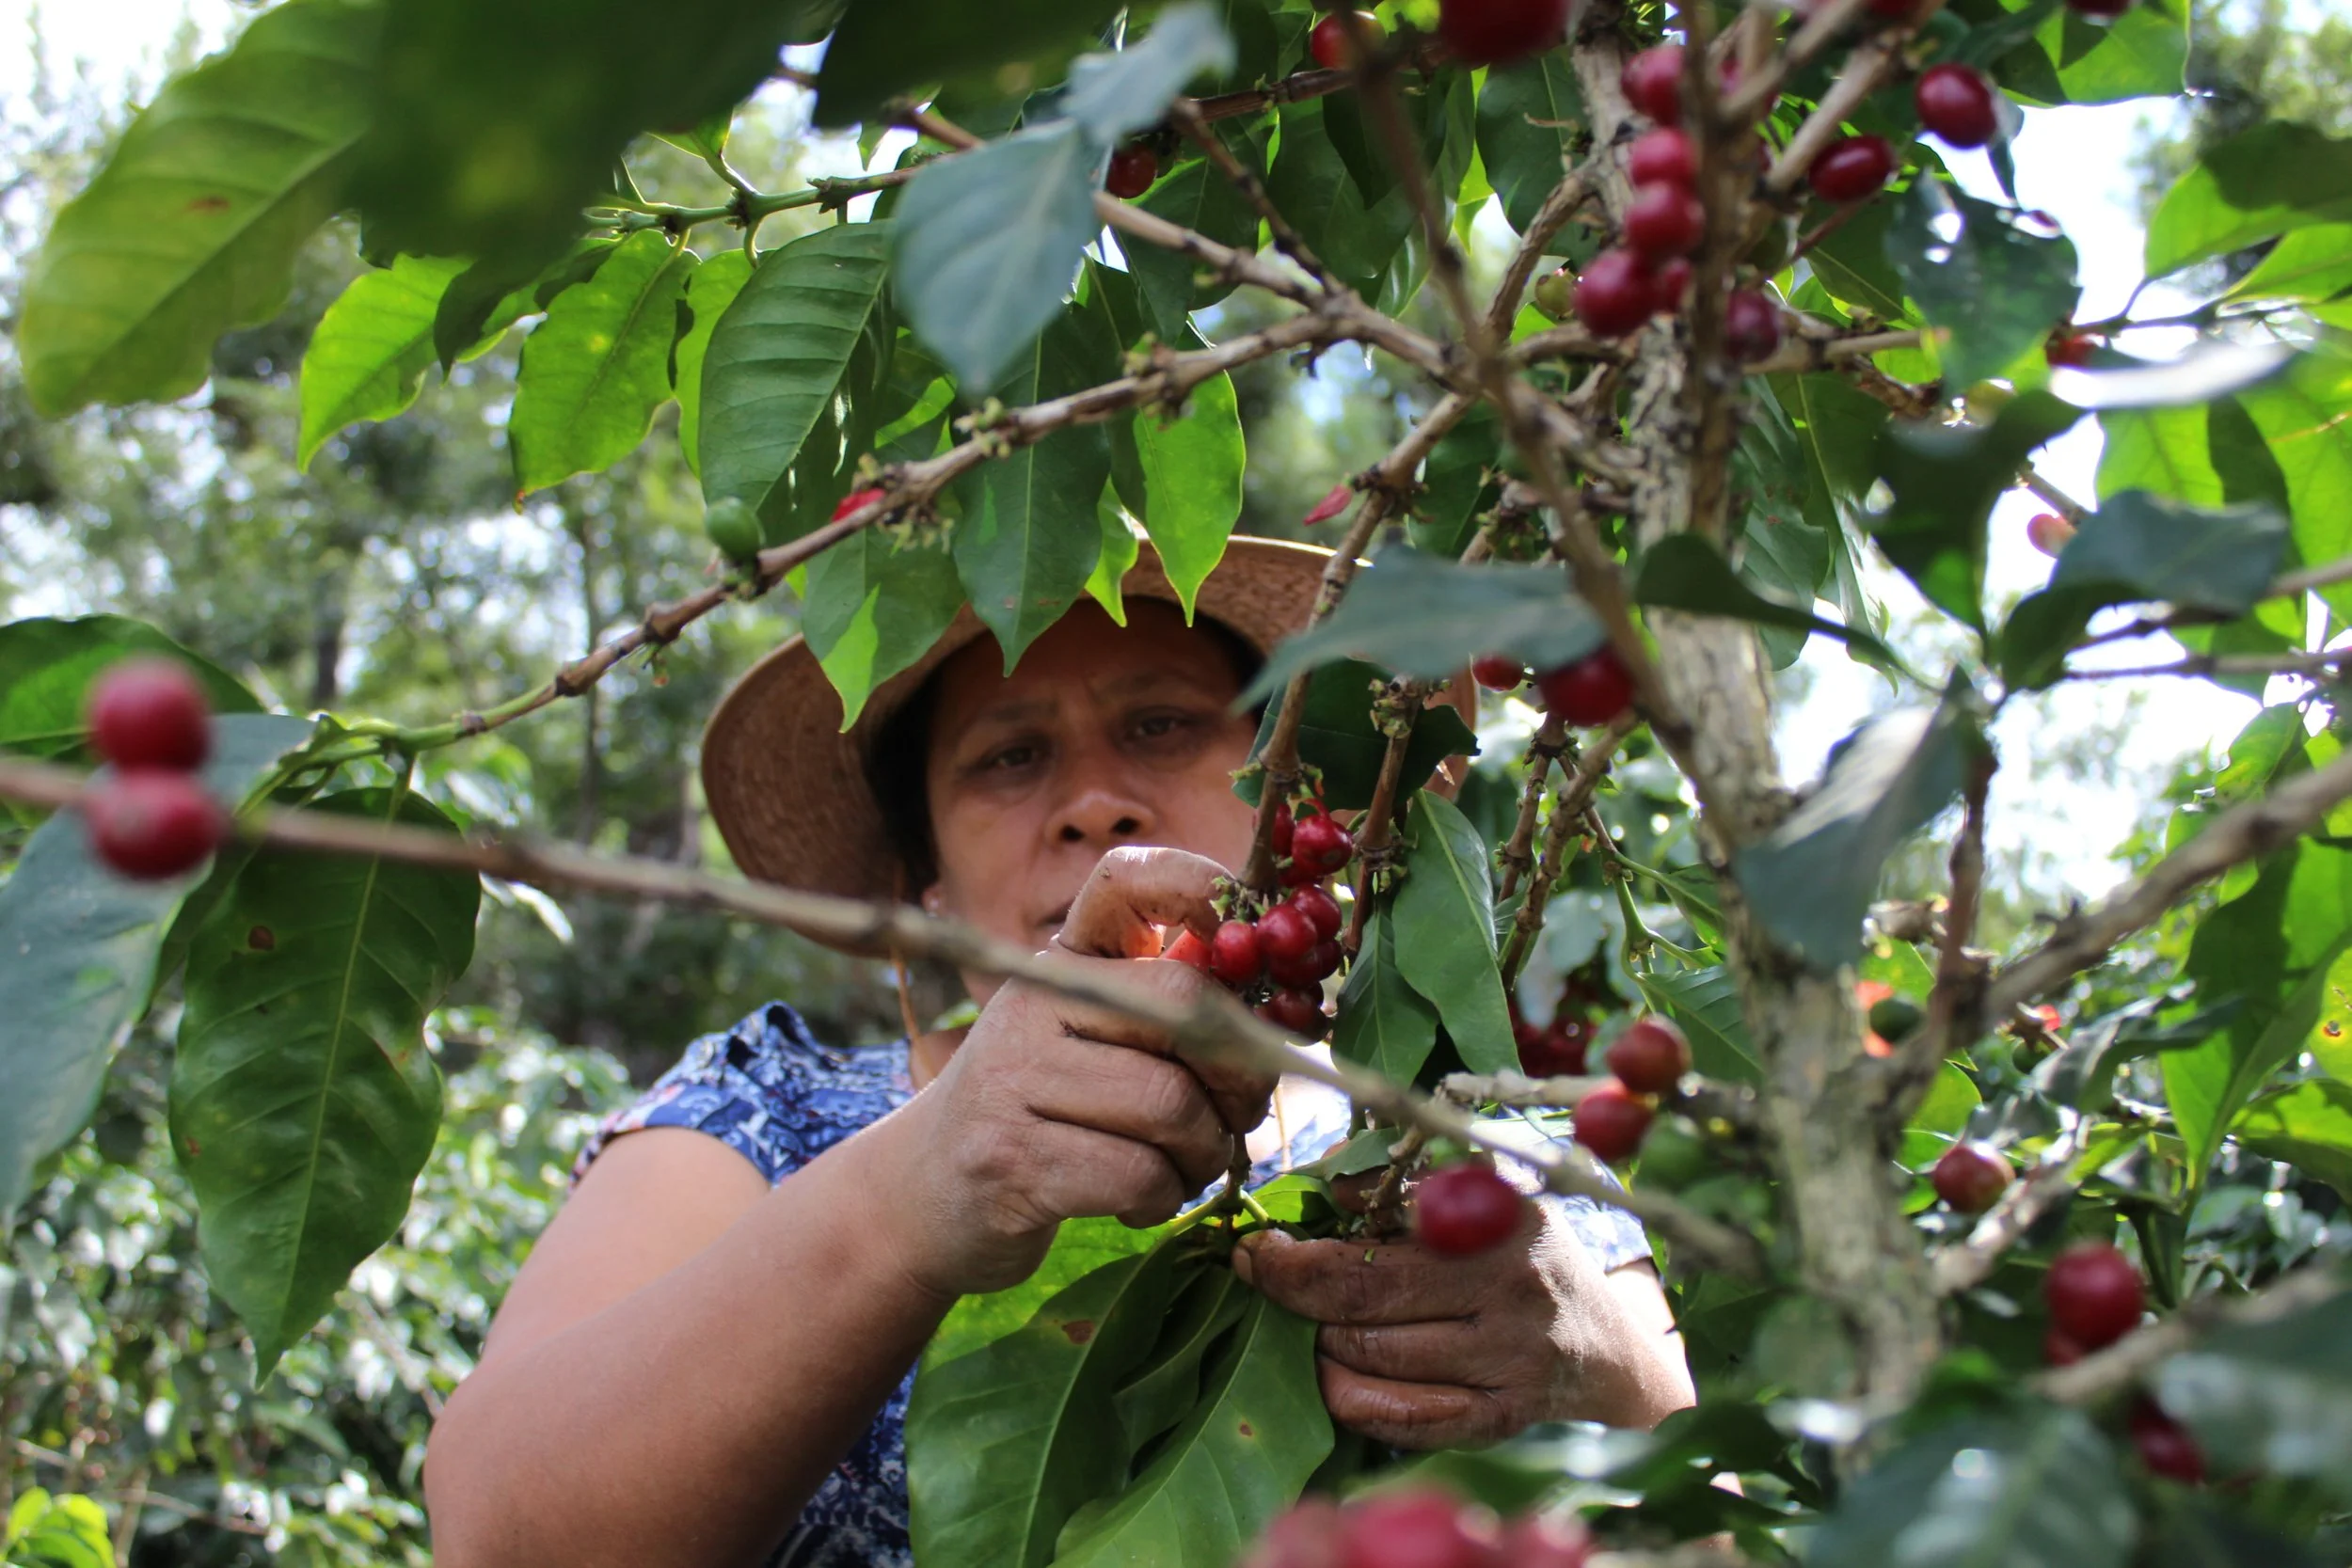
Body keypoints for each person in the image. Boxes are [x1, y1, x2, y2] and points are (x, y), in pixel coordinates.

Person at [421, 538, 1695, 1568]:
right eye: (1011, 757)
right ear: (924, 886)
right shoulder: (770, 1110)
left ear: (1293, 797)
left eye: (1161, 726)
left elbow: (1732, 1510)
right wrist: (920, 1191)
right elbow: (496, 1534)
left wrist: (1591, 1354)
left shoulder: (1467, 1135)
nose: (1093, 800)